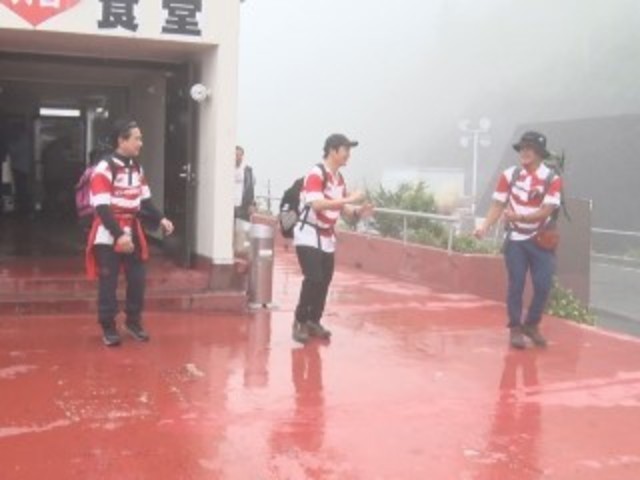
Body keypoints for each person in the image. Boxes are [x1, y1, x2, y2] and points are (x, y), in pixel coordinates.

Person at [86, 118, 174, 347]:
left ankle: (133, 321)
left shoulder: (137, 168)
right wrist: (119, 235)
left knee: (137, 279)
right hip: (108, 233)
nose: (141, 143)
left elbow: (144, 200)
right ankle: (108, 326)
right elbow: (101, 207)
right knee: (108, 281)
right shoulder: (104, 168)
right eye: (137, 139)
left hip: (133, 230)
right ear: (121, 140)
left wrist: (161, 218)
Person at [474, 131, 562, 349]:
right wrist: (484, 227)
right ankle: (515, 327)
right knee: (517, 284)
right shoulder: (509, 175)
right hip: (515, 240)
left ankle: (531, 324)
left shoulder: (552, 179)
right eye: (522, 148)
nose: (524, 152)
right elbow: (498, 204)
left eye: (529, 149)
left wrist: (519, 217)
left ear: (539, 153)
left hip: (540, 240)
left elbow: (546, 210)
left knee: (543, 285)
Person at [291, 134, 373, 343]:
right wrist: (349, 198)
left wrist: (358, 211)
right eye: (346, 150)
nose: (348, 155)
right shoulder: (316, 174)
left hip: (327, 237)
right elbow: (317, 204)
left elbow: (343, 209)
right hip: (308, 234)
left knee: (325, 280)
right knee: (313, 278)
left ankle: (314, 320)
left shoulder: (339, 179)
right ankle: (300, 321)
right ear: (333, 151)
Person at [234, 145, 256, 221]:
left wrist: (252, 204)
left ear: (242, 156)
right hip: (229, 205)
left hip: (243, 206)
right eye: (235, 155)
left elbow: (250, 188)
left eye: (239, 155)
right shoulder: (227, 168)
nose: (237, 157)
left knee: (241, 226)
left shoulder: (247, 170)